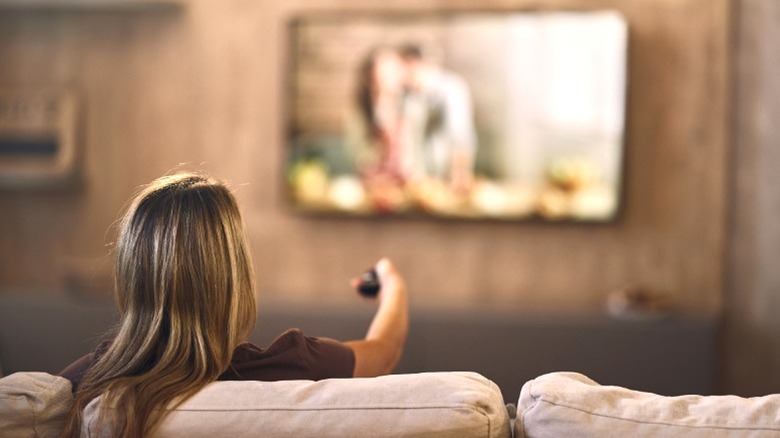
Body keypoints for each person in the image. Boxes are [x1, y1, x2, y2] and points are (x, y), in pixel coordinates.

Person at [60, 172, 409, 437]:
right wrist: (392, 286)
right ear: (235, 277)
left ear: (131, 273)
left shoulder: (84, 383)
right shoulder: (294, 366)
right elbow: (385, 350)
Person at [398, 43, 477, 195]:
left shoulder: (451, 88)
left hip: (446, 179)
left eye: (405, 68)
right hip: (416, 181)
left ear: (416, 64)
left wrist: (458, 178)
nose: (402, 75)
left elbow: (459, 136)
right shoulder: (408, 95)